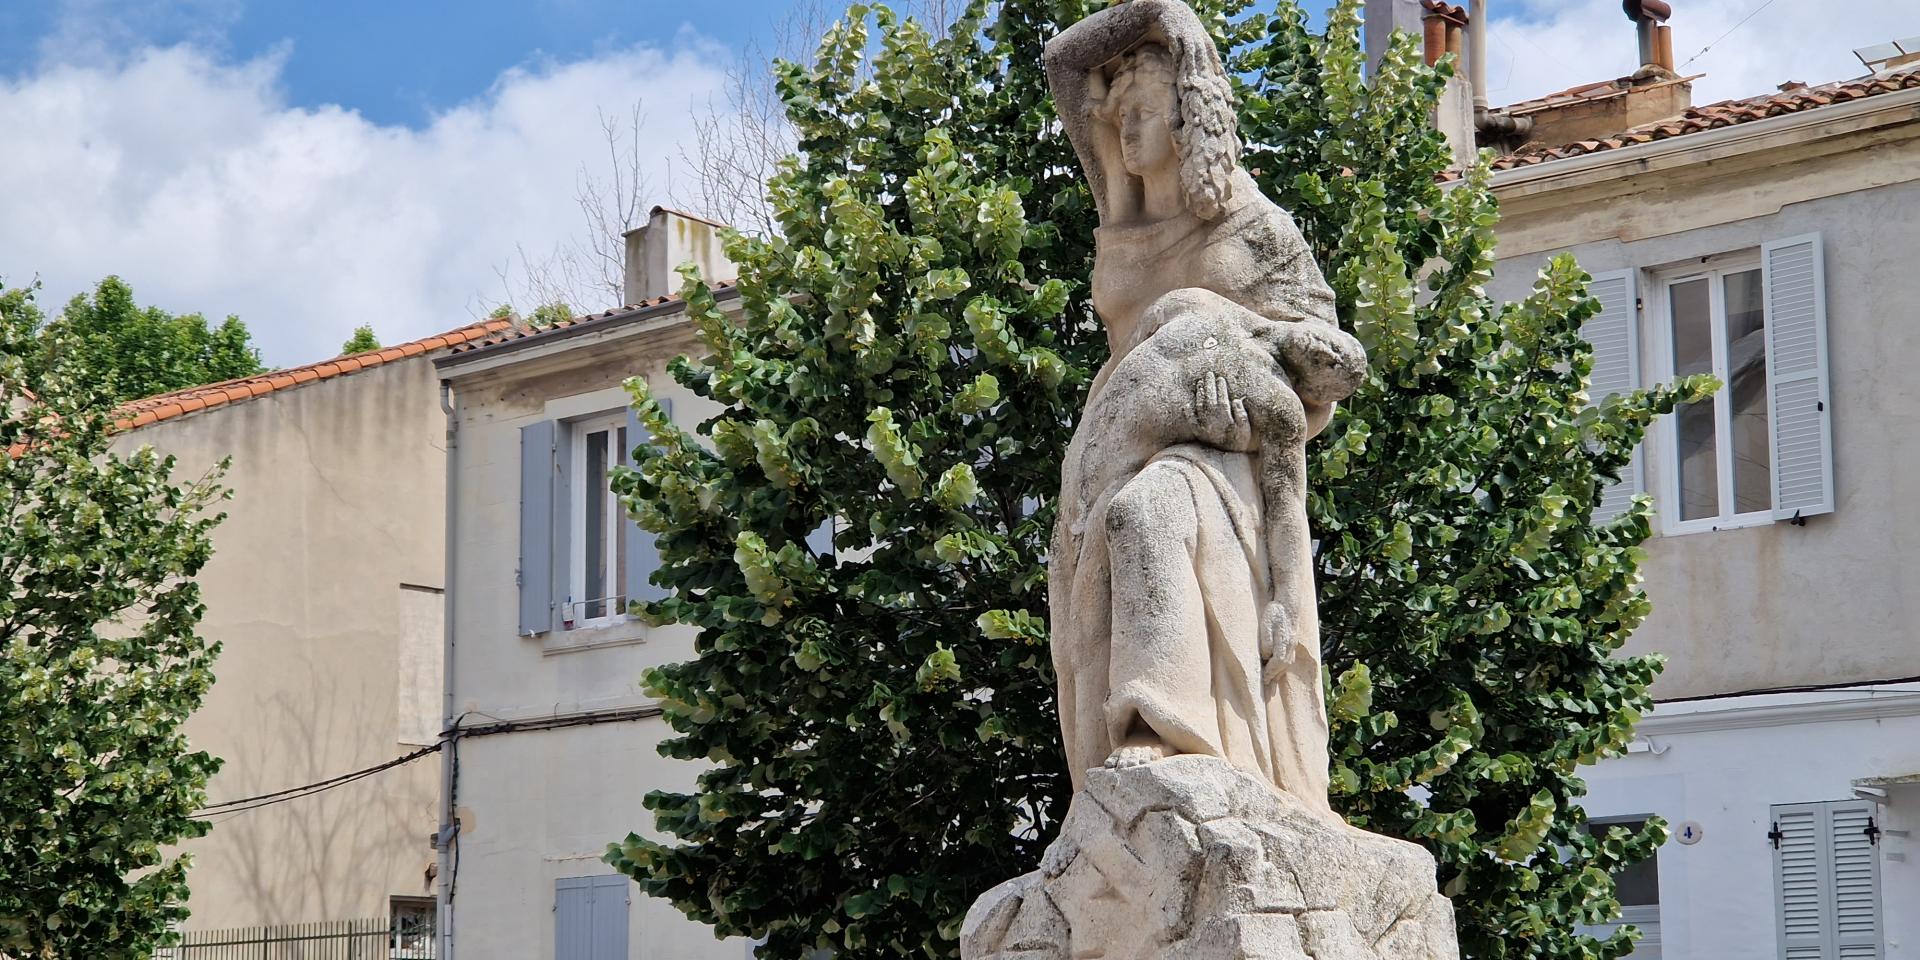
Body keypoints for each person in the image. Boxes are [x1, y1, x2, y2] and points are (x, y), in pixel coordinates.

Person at [1044, 0, 1365, 821]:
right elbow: (1063, 62)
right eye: (1119, 118)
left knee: (1148, 514)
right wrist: (1164, 16)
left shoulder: (1253, 229)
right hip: (1111, 433)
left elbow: (1330, 359)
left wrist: (1243, 361)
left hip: (1216, 453)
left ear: (1190, 117)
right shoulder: (1120, 207)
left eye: (1145, 113)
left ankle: (1164, 723)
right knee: (1088, 602)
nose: (1124, 133)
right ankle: (1119, 771)